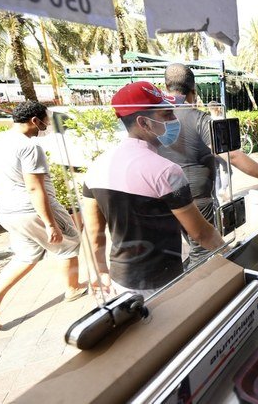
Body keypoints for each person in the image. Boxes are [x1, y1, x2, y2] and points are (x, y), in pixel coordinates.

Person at [82, 81, 225, 297]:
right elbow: (201, 233)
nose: (174, 120)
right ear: (143, 123)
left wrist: (100, 270)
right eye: (167, 115)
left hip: (121, 279)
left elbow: (93, 233)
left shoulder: (96, 166)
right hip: (162, 281)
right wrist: (231, 255)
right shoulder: (167, 171)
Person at [159, 63, 258, 267]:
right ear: (193, 91)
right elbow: (232, 156)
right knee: (203, 256)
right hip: (197, 202)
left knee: (181, 254)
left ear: (166, 88)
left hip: (165, 201)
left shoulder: (154, 120)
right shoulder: (200, 119)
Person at [0, 101, 87, 330]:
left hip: (7, 210)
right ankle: (72, 288)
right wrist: (51, 223)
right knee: (70, 242)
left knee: (25, 256)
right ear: (35, 121)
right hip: (31, 209)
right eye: (45, 119)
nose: (47, 124)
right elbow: (35, 188)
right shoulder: (30, 147)